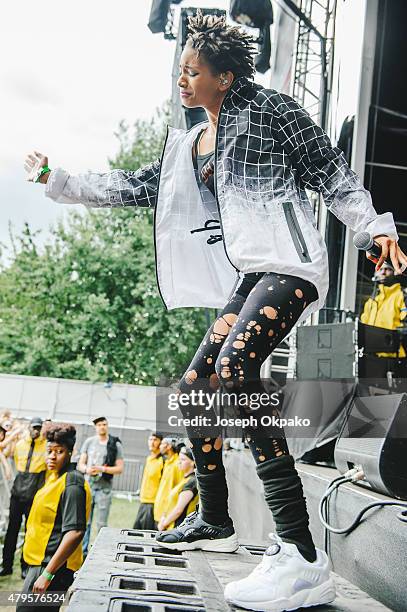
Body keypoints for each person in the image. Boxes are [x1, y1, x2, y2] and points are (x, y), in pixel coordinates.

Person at [24, 10, 407, 611]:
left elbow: (332, 176)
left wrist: (375, 231)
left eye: (192, 71)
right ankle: (214, 513)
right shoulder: (192, 144)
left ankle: (301, 554)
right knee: (195, 386)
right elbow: (133, 186)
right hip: (252, 274)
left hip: (293, 265)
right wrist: (59, 178)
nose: (181, 81)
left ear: (224, 77)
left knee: (233, 373)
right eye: (180, 70)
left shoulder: (273, 111)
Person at [17, 422, 90, 612]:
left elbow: (75, 532)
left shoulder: (72, 482)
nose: (52, 456)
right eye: (50, 450)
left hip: (52, 567)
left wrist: (48, 574)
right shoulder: (54, 477)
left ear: (70, 453)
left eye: (59, 451)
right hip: (40, 564)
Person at [0, 417, 47, 579]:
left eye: (39, 428)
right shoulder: (20, 444)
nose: (36, 431)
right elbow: (4, 451)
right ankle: (6, 565)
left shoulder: (46, 446)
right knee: (12, 530)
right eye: (34, 427)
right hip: (18, 491)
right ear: (28, 428)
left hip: (34, 493)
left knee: (30, 532)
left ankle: (25, 566)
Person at [77, 416, 124, 555]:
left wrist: (103, 469)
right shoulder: (89, 442)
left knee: (101, 524)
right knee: (86, 522)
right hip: (89, 486)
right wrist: (87, 469)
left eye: (104, 424)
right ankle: (83, 552)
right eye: (99, 425)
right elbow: (81, 464)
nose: (102, 427)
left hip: (104, 489)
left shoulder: (115, 444)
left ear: (107, 426)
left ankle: (97, 552)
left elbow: (120, 468)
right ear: (95, 427)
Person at [361, 263, 407, 357]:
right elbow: (363, 326)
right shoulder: (371, 301)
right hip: (371, 356)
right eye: (380, 269)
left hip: (395, 357)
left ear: (395, 272)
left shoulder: (402, 296)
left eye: (387, 269)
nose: (383, 272)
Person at [157, 445, 198, 531]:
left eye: (183, 459)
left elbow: (179, 510)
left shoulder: (192, 482)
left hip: (178, 529)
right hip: (171, 527)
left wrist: (164, 524)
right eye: (179, 459)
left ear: (193, 462)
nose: (179, 462)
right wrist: (164, 516)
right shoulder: (185, 479)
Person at [133, 432, 164, 530]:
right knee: (136, 531)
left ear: (161, 442)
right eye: (150, 439)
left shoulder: (163, 461)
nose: (152, 442)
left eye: (155, 440)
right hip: (143, 501)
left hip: (153, 503)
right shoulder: (149, 459)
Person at [153, 438, 183, 529]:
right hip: (159, 512)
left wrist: (167, 515)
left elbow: (180, 489)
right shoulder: (167, 462)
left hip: (166, 515)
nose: (160, 446)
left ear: (169, 446)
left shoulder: (178, 464)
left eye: (162, 444)